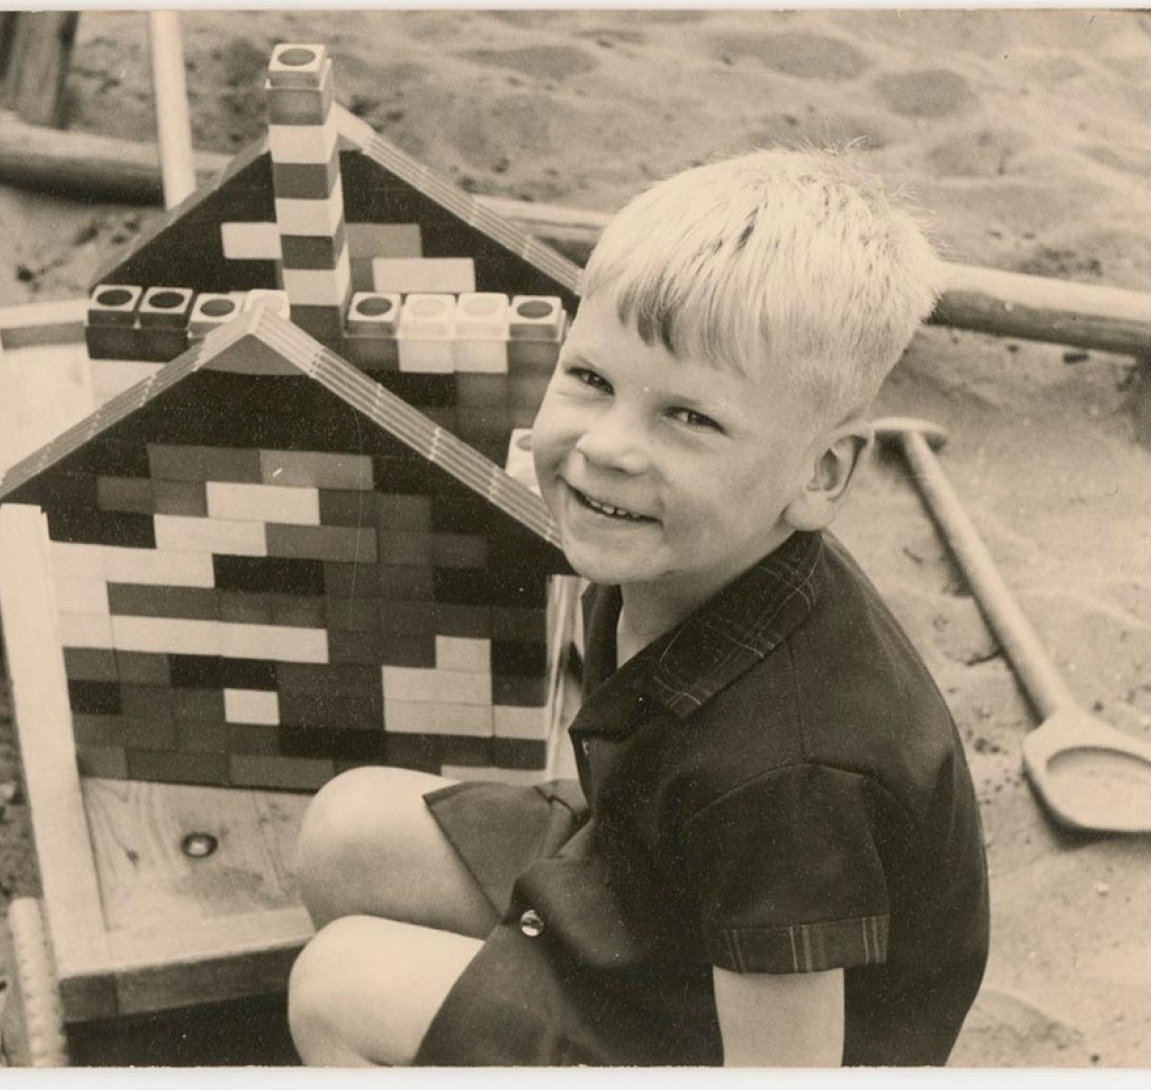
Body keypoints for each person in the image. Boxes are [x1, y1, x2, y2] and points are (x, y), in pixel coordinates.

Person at [285, 146, 990, 1067]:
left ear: (818, 474)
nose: (609, 447)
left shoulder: (787, 773)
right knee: (346, 829)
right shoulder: (675, 546)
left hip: (736, 1024)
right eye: (591, 380)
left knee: (341, 988)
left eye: (689, 418)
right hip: (657, 896)